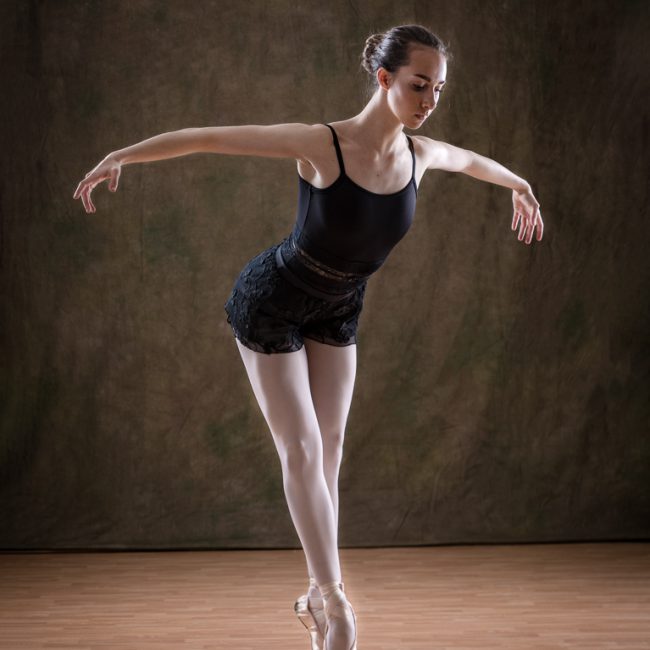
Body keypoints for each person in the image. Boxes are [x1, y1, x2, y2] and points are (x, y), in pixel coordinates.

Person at [73, 23, 543, 650]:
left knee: (331, 450)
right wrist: (121, 155)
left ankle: (318, 595)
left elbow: (472, 160)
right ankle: (340, 607)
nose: (430, 99)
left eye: (439, 89)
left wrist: (519, 185)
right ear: (384, 79)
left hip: (339, 307)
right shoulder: (323, 145)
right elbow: (212, 138)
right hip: (272, 301)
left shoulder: (419, 156)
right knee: (299, 449)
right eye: (418, 84)